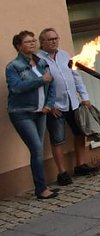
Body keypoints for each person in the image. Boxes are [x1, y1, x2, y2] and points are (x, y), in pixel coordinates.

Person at [37, 28, 97, 186]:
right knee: (57, 140)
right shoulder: (38, 60)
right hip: (55, 107)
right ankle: (62, 172)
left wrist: (84, 97)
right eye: (50, 39)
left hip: (73, 103)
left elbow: (76, 77)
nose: (54, 41)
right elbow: (38, 86)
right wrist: (48, 105)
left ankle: (80, 165)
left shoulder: (64, 55)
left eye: (56, 38)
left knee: (80, 133)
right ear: (42, 42)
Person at [6, 31, 57, 199]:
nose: (33, 43)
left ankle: (42, 186)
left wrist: (49, 105)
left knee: (39, 150)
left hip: (41, 112)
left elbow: (52, 84)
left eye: (34, 40)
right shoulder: (13, 67)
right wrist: (41, 80)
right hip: (22, 113)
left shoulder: (41, 62)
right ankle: (41, 189)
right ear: (18, 46)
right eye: (28, 42)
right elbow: (16, 87)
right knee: (36, 148)